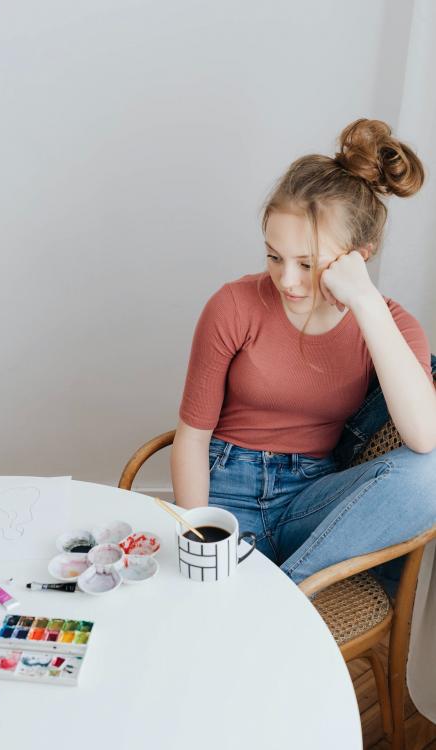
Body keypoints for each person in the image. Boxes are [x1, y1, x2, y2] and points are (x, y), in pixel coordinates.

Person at [171, 118, 436, 589]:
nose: (287, 279)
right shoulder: (233, 305)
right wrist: (200, 536)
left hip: (312, 498)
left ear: (359, 255)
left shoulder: (389, 323)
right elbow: (192, 438)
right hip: (227, 481)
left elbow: (423, 436)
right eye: (274, 256)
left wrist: (366, 304)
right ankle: (277, 600)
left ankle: (281, 596)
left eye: (309, 264)